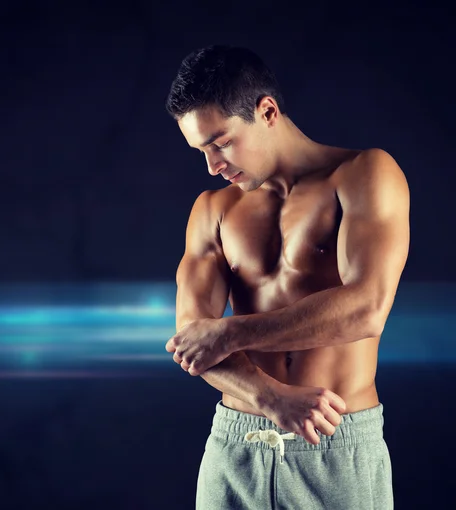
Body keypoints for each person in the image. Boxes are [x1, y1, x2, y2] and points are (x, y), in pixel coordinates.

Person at [164, 45, 409, 509]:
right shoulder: (212, 210)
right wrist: (270, 397)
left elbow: (366, 308)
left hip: (335, 446)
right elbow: (192, 340)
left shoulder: (362, 175)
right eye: (201, 150)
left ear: (267, 111)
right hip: (235, 449)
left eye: (220, 142)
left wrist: (231, 331)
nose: (212, 165)